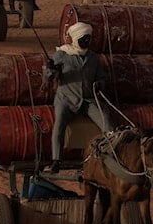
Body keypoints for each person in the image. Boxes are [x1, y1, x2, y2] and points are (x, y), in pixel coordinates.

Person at [43, 22, 114, 173]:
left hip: (88, 100)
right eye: (83, 38)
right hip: (66, 100)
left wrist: (99, 84)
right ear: (75, 38)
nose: (86, 42)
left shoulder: (93, 58)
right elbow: (47, 77)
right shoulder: (62, 54)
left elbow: (102, 77)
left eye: (88, 38)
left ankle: (109, 157)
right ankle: (56, 160)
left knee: (107, 123)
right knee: (59, 125)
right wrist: (50, 70)